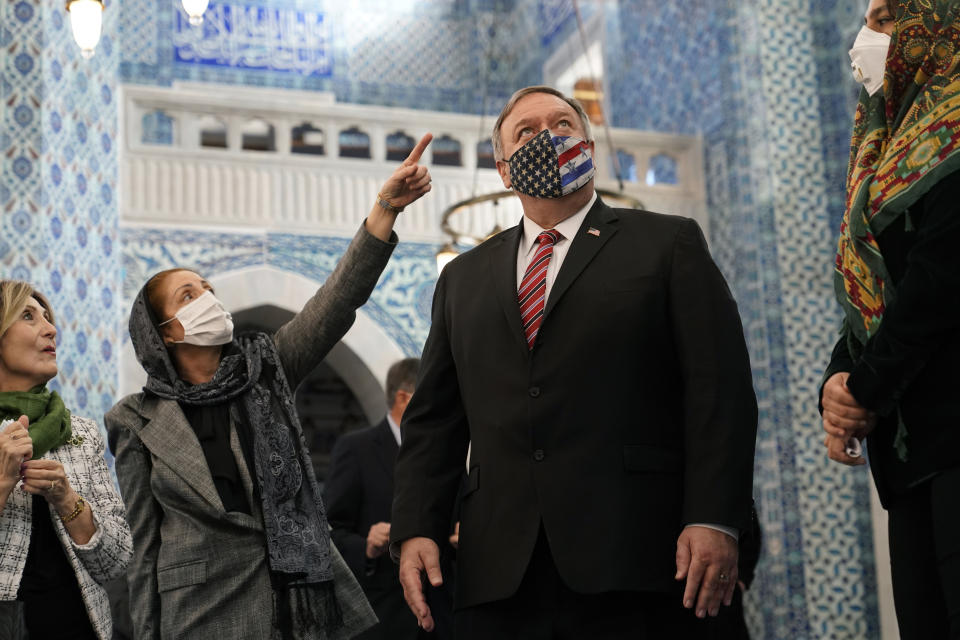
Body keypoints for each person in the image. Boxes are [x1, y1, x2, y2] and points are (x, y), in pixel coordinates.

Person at [390, 86, 758, 639]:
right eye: (527, 131)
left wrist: (712, 516)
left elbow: (719, 392)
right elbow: (435, 419)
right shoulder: (462, 278)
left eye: (562, 125)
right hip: (503, 575)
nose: (547, 137)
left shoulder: (666, 244)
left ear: (588, 145)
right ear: (503, 168)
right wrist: (418, 527)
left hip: (638, 558)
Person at [106, 135, 434, 640]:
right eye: (188, 295)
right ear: (164, 332)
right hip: (198, 615)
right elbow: (144, 547)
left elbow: (335, 303)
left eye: (208, 290)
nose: (208, 300)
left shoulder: (266, 369)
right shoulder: (135, 419)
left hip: (293, 603)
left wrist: (384, 210)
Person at [821, 1, 960, 637]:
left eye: (882, 17)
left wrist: (863, 392)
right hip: (908, 459)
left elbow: (938, 281)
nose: (866, 37)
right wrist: (838, 379)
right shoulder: (891, 141)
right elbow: (872, 282)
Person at [0, 280, 132, 639]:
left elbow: (116, 562)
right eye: (28, 316)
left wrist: (68, 500)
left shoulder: (80, 433)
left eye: (48, 317)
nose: (51, 328)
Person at [325, 357, 453, 639]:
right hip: (383, 618)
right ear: (404, 399)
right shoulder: (356, 450)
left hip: (443, 616)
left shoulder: (445, 452)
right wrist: (367, 547)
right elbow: (330, 535)